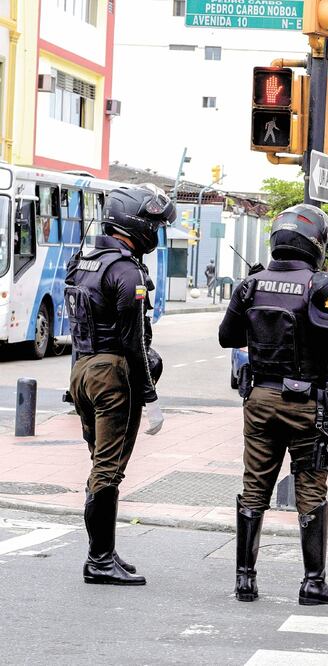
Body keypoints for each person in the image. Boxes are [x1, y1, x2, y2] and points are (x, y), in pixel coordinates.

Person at [218, 203, 328, 605]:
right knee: (311, 490)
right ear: (316, 242)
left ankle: (245, 581)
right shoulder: (322, 287)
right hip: (306, 405)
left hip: (260, 401)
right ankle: (312, 583)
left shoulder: (250, 286)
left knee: (254, 488)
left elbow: (227, 337)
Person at [64, 186, 175, 586]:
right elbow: (133, 342)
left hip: (82, 371)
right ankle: (98, 559)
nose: (156, 234)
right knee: (108, 469)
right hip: (113, 375)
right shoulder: (127, 270)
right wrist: (151, 396)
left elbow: (79, 327)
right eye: (155, 226)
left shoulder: (85, 260)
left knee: (100, 464)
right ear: (137, 225)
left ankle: (104, 550)